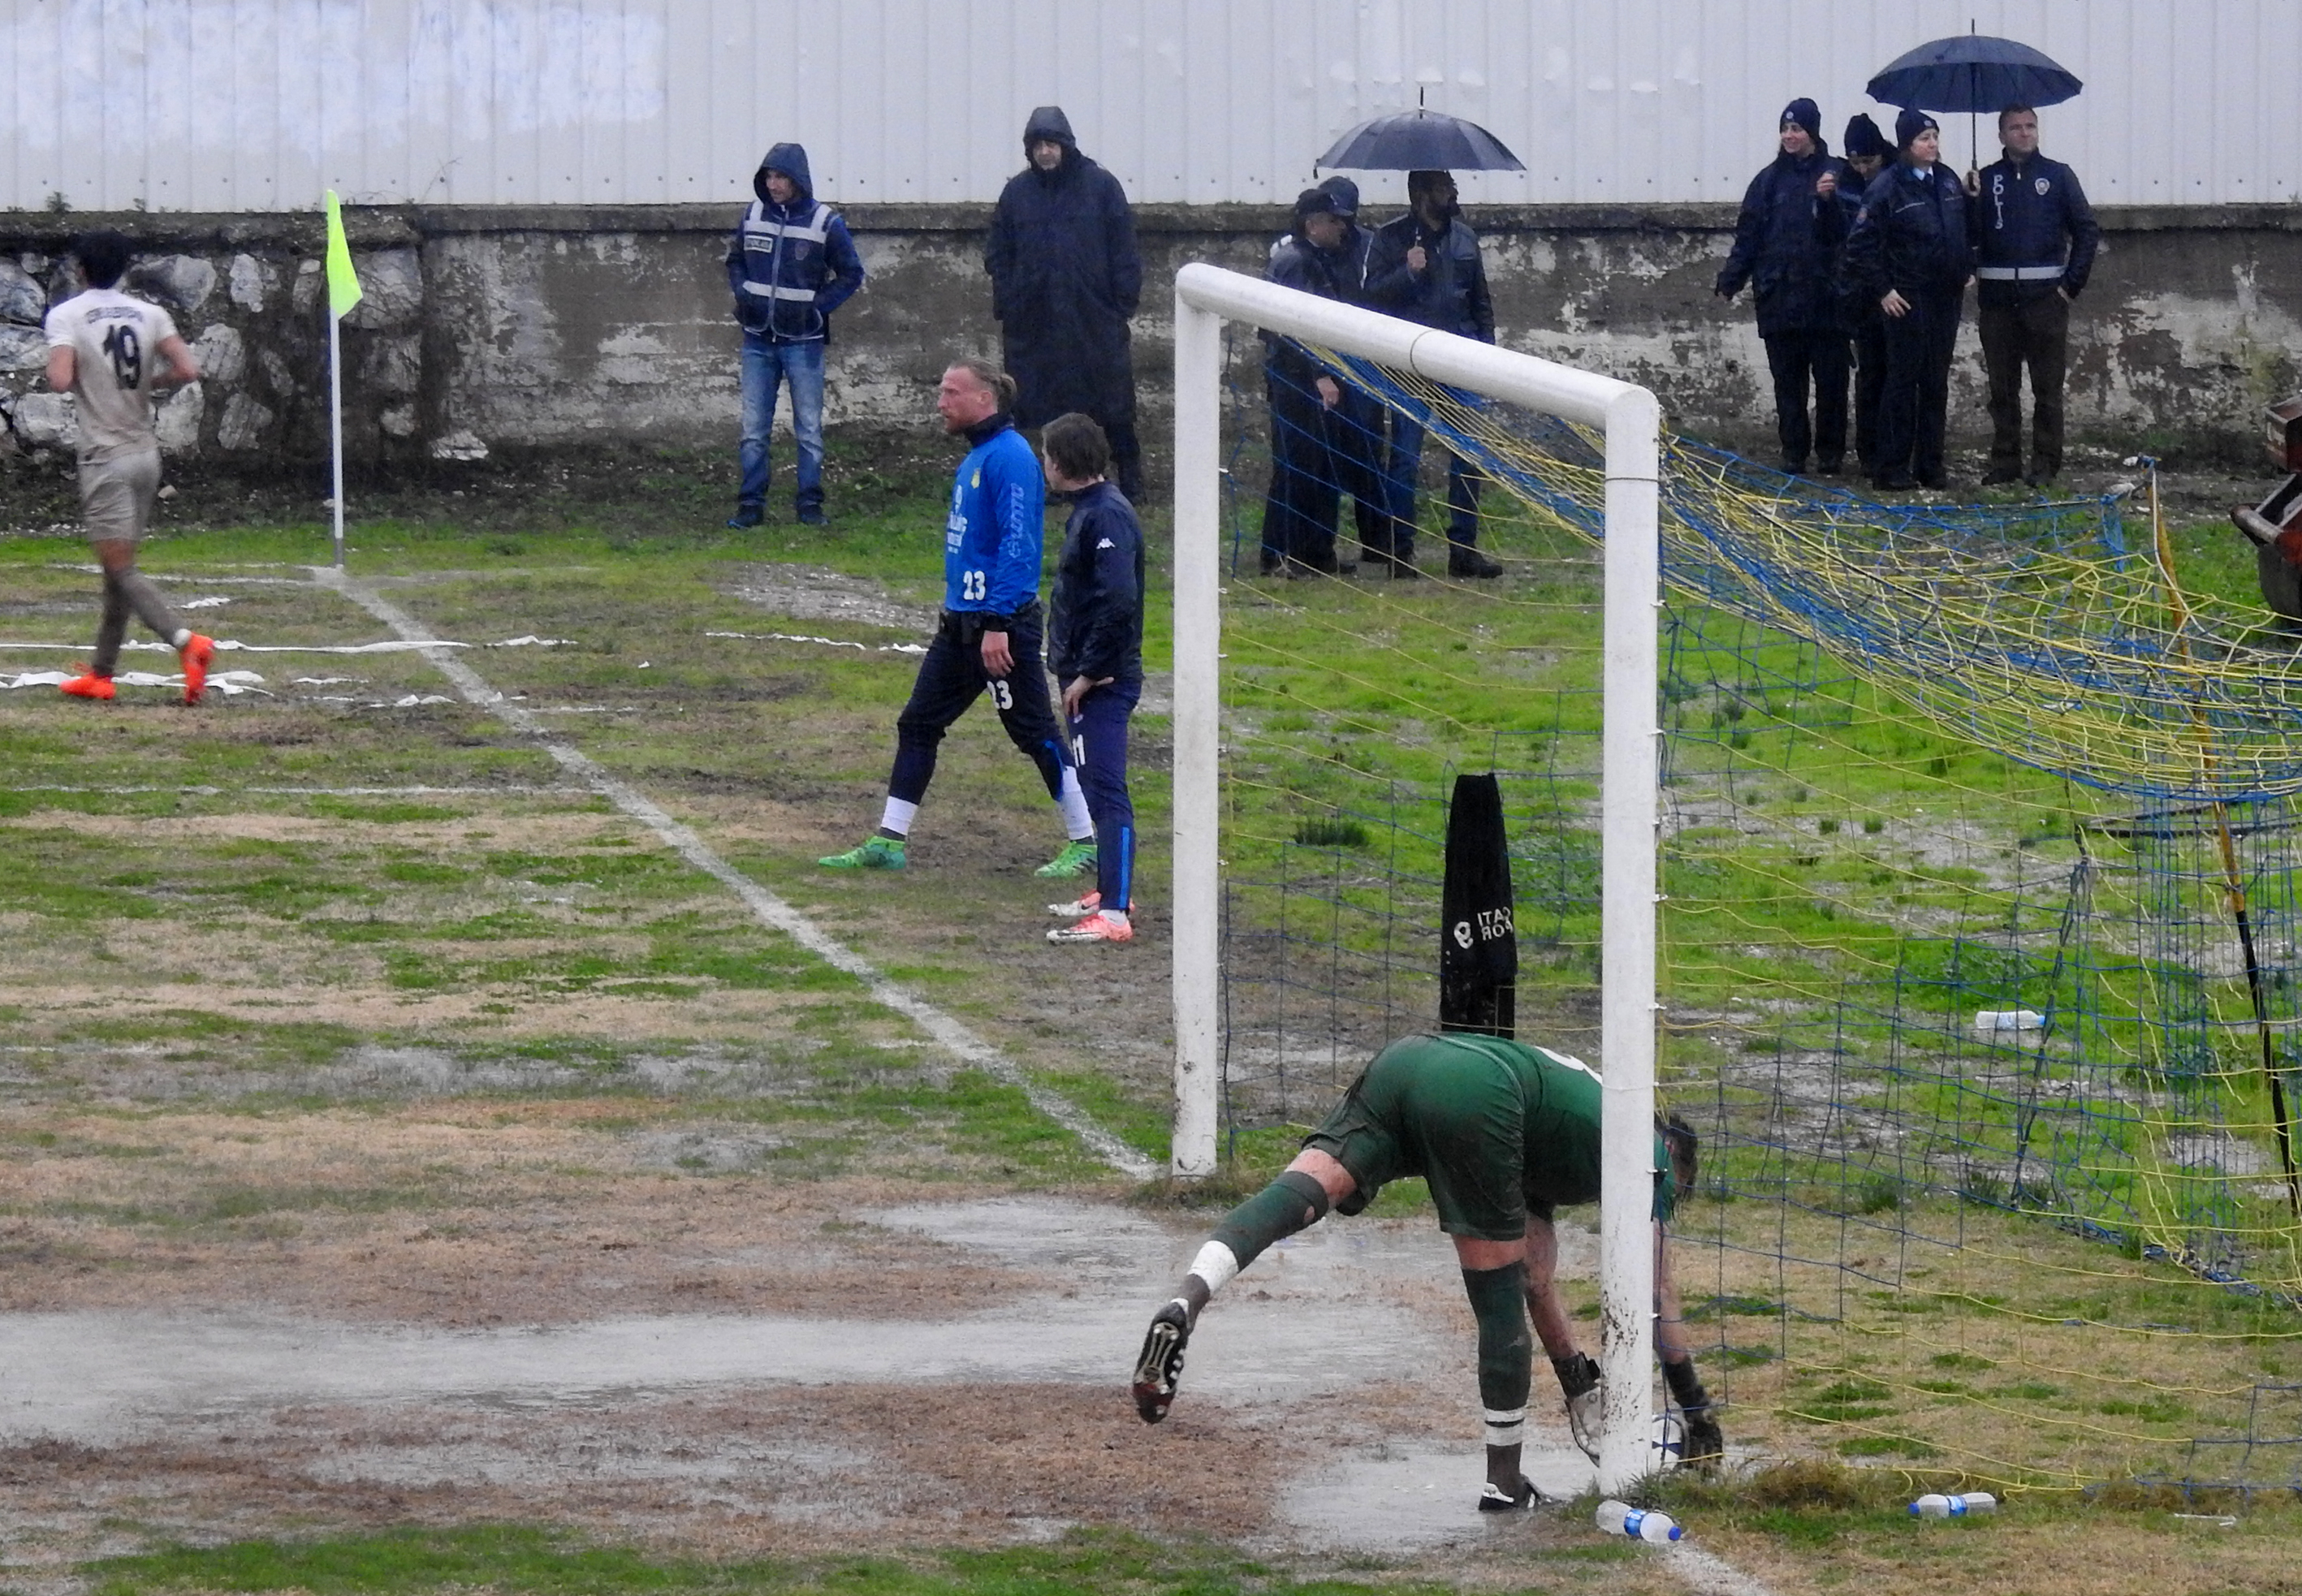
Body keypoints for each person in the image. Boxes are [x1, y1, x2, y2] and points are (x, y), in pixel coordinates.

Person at [1131, 1031, 1721, 1510]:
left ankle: (1188, 1298)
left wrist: (1577, 1382)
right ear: (1674, 1157)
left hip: (1409, 1061)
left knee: (1304, 1190)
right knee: (1494, 1294)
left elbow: (1537, 1280)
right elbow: (1656, 1293)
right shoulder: (1646, 1155)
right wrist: (1696, 1412)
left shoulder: (1572, 1128)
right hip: (1483, 1094)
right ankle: (1504, 1483)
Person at [818, 360, 1098, 878]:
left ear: (984, 399)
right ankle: (889, 841)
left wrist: (997, 624)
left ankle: (1087, 841)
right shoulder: (977, 457)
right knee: (919, 723)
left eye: (951, 392)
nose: (940, 402)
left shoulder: (1010, 458)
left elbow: (1019, 546)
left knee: (1034, 732)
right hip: (961, 628)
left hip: (999, 628)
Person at [44, 231, 214, 706]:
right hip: (144, 455)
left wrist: (74, 373)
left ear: (80, 270)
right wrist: (145, 383)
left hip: (105, 457)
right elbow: (188, 370)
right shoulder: (150, 313)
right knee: (117, 568)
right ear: (123, 269)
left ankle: (186, 641)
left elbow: (59, 379)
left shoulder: (67, 315)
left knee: (120, 568)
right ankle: (101, 673)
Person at [985, 107, 1145, 500]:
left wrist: (1120, 304)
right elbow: (998, 254)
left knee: (1112, 403)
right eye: (1038, 145)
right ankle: (1060, 479)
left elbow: (1124, 248)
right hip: (1036, 321)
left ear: (1066, 145)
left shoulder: (1100, 186)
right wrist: (1012, 302)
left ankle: (1131, 478)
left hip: (1093, 317)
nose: (1045, 152)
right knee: (1046, 405)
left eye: (1052, 144)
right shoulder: (1017, 194)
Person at [1364, 170, 1503, 580]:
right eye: (1444, 187)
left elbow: (1480, 299)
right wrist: (1407, 272)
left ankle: (1464, 550)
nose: (1453, 192)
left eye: (1452, 185)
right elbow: (1370, 298)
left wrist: (1486, 352)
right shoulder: (1389, 238)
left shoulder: (1465, 238)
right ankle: (1400, 552)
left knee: (1468, 456)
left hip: (1460, 360)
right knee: (1405, 459)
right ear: (1421, 194)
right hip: (1409, 363)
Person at [1041, 412, 1144, 947]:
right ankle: (1110, 889)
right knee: (1093, 785)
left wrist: (1089, 672)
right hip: (1088, 674)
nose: (1044, 465)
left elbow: (1118, 600)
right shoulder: (1091, 511)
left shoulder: (1106, 517)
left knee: (1106, 791)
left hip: (1102, 681)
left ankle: (1115, 912)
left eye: (1046, 456)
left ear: (1060, 462)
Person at [724, 142, 866, 529]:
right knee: (753, 431)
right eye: (769, 176)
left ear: (798, 179)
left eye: (781, 177)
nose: (773, 184)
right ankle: (750, 506)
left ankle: (810, 505)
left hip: (804, 341)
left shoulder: (825, 222)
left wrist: (818, 308)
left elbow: (852, 273)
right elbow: (735, 261)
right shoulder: (752, 215)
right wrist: (743, 292)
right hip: (757, 339)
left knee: (809, 430)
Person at [1715, 99, 1855, 477]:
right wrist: (1732, 278)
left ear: (1813, 132)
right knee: (1788, 384)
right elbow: (1749, 236)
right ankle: (1793, 450)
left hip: (1827, 299)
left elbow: (1847, 234)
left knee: (1831, 382)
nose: (1790, 136)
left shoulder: (1837, 173)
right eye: (1785, 129)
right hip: (1779, 298)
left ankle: (1830, 453)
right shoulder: (1767, 181)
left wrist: (1828, 202)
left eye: (1797, 129)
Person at [1968, 105, 2100, 486]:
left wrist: (2069, 287)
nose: (2024, 133)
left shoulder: (2058, 176)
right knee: (2002, 389)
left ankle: (2045, 464)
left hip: (2045, 301)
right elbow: (1970, 236)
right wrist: (1970, 200)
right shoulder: (1986, 179)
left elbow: (2087, 231)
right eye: (2015, 128)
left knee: (2047, 390)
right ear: (2001, 135)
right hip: (1997, 303)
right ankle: (2005, 462)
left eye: (2030, 126)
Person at [1843, 109, 1972, 492]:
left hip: (1945, 295)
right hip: (1907, 296)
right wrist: (1883, 289)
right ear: (1906, 145)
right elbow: (1860, 245)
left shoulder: (1947, 180)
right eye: (1923, 139)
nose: (1932, 145)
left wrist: (1966, 263)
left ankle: (1931, 464)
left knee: (1936, 381)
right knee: (1902, 381)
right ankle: (1892, 466)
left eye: (1934, 137)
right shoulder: (1887, 186)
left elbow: (1961, 229)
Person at [1259, 185, 1382, 576]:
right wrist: (1321, 374)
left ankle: (1314, 551)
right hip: (1297, 382)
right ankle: (1286, 554)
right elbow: (1297, 328)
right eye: (1333, 221)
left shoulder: (1304, 259)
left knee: (1318, 466)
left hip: (1299, 378)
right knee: (1299, 466)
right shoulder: (1298, 263)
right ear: (1312, 225)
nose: (1342, 228)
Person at [1835, 114, 1894, 478]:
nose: (1862, 169)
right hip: (1860, 295)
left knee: (1898, 374)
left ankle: (1896, 446)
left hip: (1896, 289)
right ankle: (1869, 450)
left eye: (1868, 161)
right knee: (1869, 374)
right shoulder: (1844, 184)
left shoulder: (1896, 180)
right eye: (1855, 162)